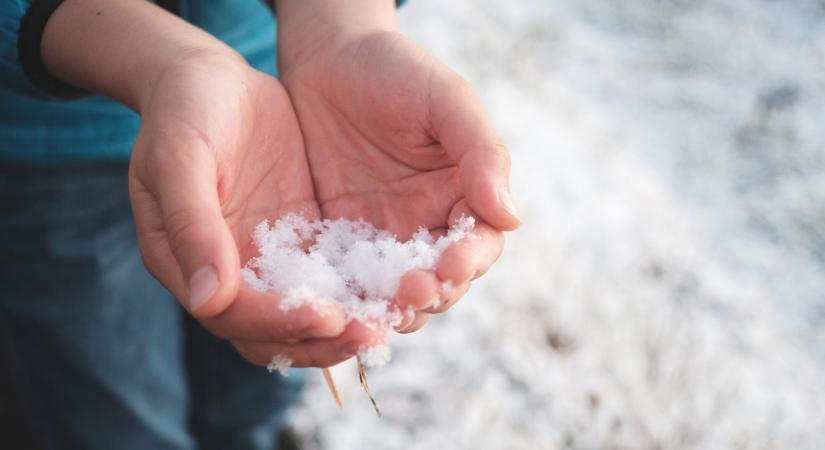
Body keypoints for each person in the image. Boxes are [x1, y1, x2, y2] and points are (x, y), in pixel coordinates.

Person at [0, 0, 520, 448]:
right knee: (111, 402)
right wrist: (164, 60)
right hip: (50, 144)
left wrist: (342, 31)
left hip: (270, 91)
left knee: (266, 371)